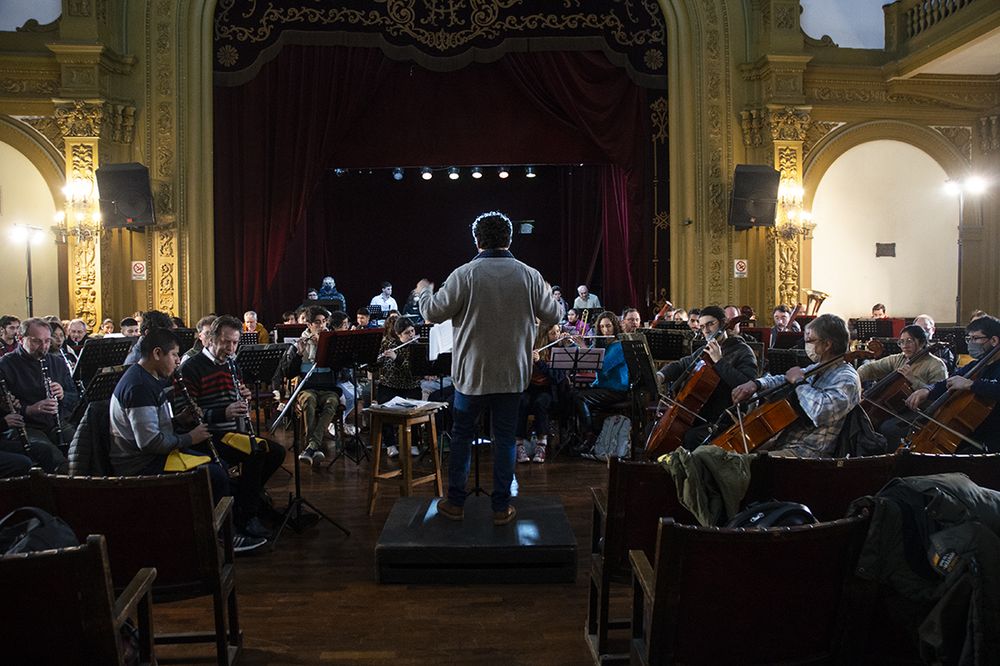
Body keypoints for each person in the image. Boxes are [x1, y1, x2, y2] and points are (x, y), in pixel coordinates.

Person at [420, 210, 562, 525]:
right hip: (512, 374)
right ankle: (500, 507)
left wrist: (423, 293)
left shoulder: (464, 274)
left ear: (477, 240)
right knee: (505, 438)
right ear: (509, 238)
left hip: (472, 375)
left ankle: (455, 503)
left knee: (461, 436)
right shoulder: (529, 274)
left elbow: (432, 312)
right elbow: (554, 315)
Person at [108, 327, 266, 553]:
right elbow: (149, 442)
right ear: (157, 354)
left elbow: (154, 427)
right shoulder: (139, 386)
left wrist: (180, 420)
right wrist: (189, 438)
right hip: (142, 463)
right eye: (174, 355)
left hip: (154, 454)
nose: (177, 361)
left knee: (220, 466)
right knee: (216, 473)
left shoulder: (147, 378)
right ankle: (222, 537)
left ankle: (230, 522)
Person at [179, 315, 287, 540]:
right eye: (225, 342)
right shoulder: (192, 367)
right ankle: (247, 515)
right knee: (255, 455)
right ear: (210, 339)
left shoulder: (232, 364)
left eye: (235, 343)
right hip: (209, 434)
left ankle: (243, 497)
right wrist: (223, 412)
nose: (230, 347)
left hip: (232, 432)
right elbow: (187, 416)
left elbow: (232, 398)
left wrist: (245, 397)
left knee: (276, 453)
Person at [730, 314, 860, 457]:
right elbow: (784, 379)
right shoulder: (818, 367)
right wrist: (756, 384)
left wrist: (799, 383)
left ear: (827, 344)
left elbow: (821, 411)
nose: (806, 346)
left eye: (810, 341)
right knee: (725, 455)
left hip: (808, 453)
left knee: (738, 464)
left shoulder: (847, 379)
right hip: (786, 442)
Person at [655, 306, 758, 449]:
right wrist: (660, 376)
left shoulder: (742, 351)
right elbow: (681, 364)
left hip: (724, 418)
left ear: (723, 324)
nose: (706, 330)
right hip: (699, 416)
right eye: (702, 326)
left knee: (691, 438)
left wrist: (719, 361)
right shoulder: (704, 350)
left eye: (710, 324)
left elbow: (747, 385)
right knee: (655, 430)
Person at [903, 315, 1000, 453]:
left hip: (991, 437)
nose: (971, 343)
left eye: (975, 338)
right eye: (969, 338)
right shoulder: (976, 365)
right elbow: (948, 382)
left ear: (994, 340)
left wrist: (971, 385)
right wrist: (927, 391)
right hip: (970, 432)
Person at [0, 318, 76, 471]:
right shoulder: (5, 365)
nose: (43, 347)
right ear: (21, 339)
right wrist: (29, 409)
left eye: (47, 341)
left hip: (57, 423)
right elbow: (4, 411)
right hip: (27, 426)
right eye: (36, 342)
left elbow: (75, 397)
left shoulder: (57, 363)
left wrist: (63, 394)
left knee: (83, 448)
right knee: (55, 459)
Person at [860, 325, 948, 446]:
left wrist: (913, 380)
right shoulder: (899, 359)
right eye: (901, 342)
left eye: (909, 341)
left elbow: (939, 399)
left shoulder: (936, 365)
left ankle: (894, 458)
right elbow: (870, 368)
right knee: (863, 420)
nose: (904, 346)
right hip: (897, 410)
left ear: (922, 342)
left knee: (888, 427)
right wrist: (855, 379)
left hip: (922, 413)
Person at [276, 305, 341, 465]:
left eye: (324, 322)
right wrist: (298, 354)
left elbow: (339, 369)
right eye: (317, 323)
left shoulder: (331, 342)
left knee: (332, 402)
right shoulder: (299, 343)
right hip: (307, 388)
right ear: (309, 325)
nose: (322, 326)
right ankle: (313, 446)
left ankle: (311, 447)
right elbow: (289, 373)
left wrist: (326, 349)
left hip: (328, 388)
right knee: (308, 401)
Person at [574, 311, 629, 444]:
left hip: (616, 390)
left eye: (608, 326)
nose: (605, 330)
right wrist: (569, 343)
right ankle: (580, 435)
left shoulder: (619, 346)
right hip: (603, 387)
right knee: (571, 394)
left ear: (615, 326)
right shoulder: (602, 344)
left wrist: (583, 347)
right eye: (602, 327)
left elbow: (602, 366)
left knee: (579, 397)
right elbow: (584, 359)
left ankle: (589, 434)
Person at [516, 324, 568, 464]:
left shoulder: (558, 350)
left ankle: (541, 444)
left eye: (558, 332)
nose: (556, 336)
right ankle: (519, 444)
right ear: (543, 335)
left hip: (548, 389)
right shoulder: (530, 347)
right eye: (552, 333)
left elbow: (556, 378)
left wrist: (540, 363)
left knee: (541, 402)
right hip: (528, 387)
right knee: (522, 402)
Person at [376, 316, 422, 458]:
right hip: (388, 386)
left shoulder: (417, 347)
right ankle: (390, 444)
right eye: (407, 333)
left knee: (414, 410)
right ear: (399, 334)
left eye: (413, 331)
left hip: (410, 386)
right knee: (384, 407)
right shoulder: (387, 344)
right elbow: (374, 368)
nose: (412, 335)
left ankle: (413, 443)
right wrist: (377, 359)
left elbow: (413, 372)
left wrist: (397, 358)